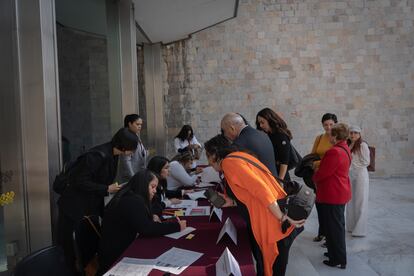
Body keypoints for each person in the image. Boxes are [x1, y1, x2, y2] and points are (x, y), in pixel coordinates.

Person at [204, 135, 305, 276]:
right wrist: (232, 201)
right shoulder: (240, 157)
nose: (208, 162)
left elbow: (262, 190)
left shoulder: (229, 162)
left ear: (215, 154)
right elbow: (251, 193)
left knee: (272, 269)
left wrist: (282, 217)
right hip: (273, 218)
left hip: (272, 223)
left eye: (208, 156)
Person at [57, 128, 138, 272]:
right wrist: (106, 189)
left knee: (88, 247)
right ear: (124, 146)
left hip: (89, 207)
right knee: (72, 250)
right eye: (132, 149)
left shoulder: (113, 155)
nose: (132, 152)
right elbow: (79, 181)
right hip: (74, 208)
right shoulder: (96, 155)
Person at [97, 169, 186, 274]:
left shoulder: (129, 195)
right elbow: (147, 229)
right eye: (152, 187)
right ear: (142, 185)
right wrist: (176, 226)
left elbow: (141, 220)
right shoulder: (133, 200)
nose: (155, 191)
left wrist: (150, 217)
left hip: (116, 247)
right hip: (115, 256)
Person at [313, 123, 351, 269]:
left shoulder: (334, 152)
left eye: (331, 133)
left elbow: (323, 173)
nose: (328, 135)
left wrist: (314, 176)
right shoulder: (345, 148)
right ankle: (334, 253)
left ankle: (338, 259)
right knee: (336, 226)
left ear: (335, 136)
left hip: (332, 193)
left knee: (334, 228)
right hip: (340, 191)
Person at [310, 113, 338, 243]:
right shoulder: (320, 137)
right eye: (326, 124)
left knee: (329, 208)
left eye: (331, 124)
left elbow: (334, 159)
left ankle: (330, 237)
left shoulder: (337, 139)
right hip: (318, 176)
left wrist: (317, 164)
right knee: (320, 205)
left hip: (330, 176)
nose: (328, 127)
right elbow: (312, 155)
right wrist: (315, 164)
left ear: (336, 124)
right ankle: (322, 232)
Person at [256, 108, 294, 180]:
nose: (260, 125)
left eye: (262, 122)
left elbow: (284, 162)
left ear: (270, 120)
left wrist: (280, 181)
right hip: (272, 174)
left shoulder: (281, 136)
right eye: (259, 123)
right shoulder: (269, 135)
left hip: (280, 176)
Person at [346, 125, 370, 237]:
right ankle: (351, 227)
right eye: (351, 133)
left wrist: (352, 166)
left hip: (361, 174)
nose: (353, 135)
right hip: (350, 175)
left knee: (361, 200)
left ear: (359, 134)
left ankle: (360, 230)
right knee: (350, 201)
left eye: (355, 133)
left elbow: (366, 161)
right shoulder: (349, 144)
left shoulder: (362, 145)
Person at [115, 114, 147, 183]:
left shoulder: (135, 135)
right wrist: (133, 177)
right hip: (130, 178)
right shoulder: (127, 138)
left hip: (138, 175)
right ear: (130, 124)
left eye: (141, 124)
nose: (140, 127)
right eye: (137, 124)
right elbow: (126, 160)